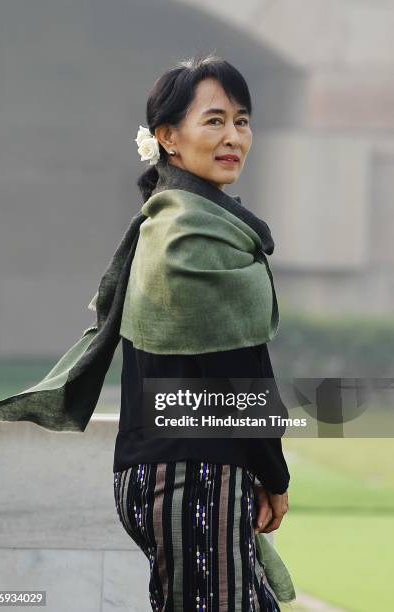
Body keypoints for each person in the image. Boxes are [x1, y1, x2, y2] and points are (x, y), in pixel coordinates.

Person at [112, 53, 292, 611]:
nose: (233, 135)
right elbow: (238, 373)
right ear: (167, 136)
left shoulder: (169, 221)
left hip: (175, 470)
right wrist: (274, 474)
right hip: (193, 478)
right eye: (214, 120)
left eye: (241, 120)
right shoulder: (193, 237)